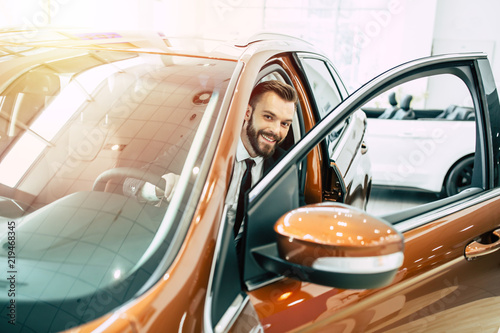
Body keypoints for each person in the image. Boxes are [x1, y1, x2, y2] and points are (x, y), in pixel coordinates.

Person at [124, 80, 298, 231]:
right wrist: (157, 189)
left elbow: (293, 217)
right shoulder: (201, 144)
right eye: (268, 117)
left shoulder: (286, 166)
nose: (276, 131)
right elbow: (129, 182)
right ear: (247, 113)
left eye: (284, 124)